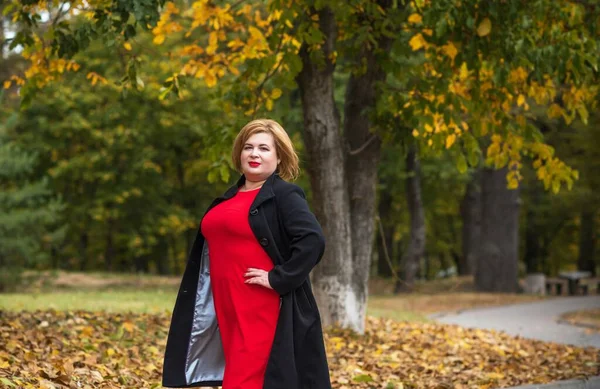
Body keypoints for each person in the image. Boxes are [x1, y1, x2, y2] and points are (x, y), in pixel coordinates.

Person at [162, 119, 332, 389]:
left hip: (260, 306)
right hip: (225, 307)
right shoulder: (229, 197)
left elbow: (312, 240)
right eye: (248, 147)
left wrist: (279, 278)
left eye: (264, 148)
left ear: (279, 158)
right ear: (239, 154)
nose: (254, 154)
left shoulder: (284, 195)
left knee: (244, 380)